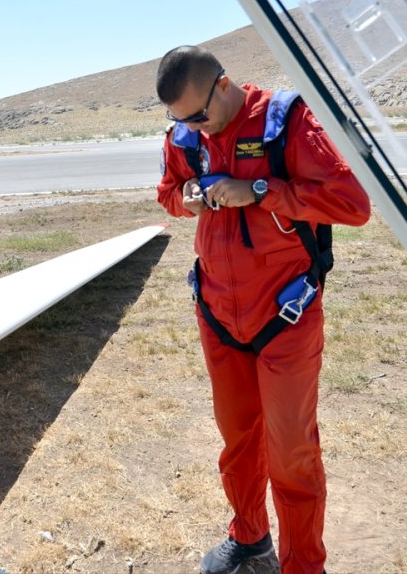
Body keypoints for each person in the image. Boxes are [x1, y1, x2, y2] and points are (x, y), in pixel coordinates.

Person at [155, 46, 371, 574]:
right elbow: (167, 195)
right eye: (181, 121)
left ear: (223, 86)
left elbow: (352, 205)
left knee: (292, 452)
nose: (194, 130)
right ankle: (250, 540)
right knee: (238, 441)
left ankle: (304, 566)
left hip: (285, 316)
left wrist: (258, 190)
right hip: (218, 316)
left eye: (200, 116)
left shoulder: (285, 121)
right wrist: (190, 196)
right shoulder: (188, 134)